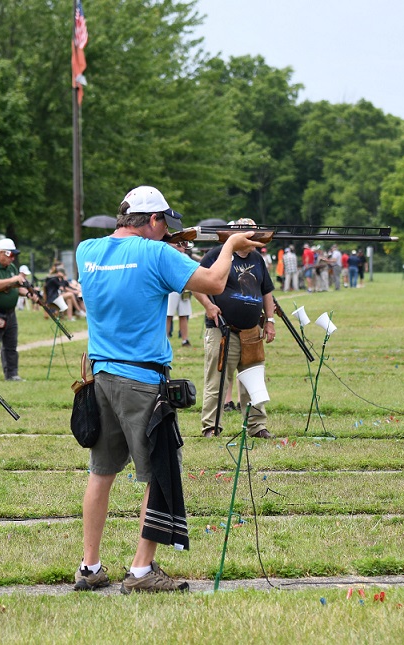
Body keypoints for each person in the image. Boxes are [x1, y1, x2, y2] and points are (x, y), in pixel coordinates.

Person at [74, 185, 262, 595]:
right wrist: (230, 244)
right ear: (155, 221)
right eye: (165, 224)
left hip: (100, 376)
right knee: (160, 472)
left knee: (101, 473)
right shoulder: (157, 253)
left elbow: (136, 266)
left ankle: (90, 566)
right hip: (142, 381)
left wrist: (170, 249)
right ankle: (141, 572)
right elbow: (213, 281)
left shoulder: (86, 251)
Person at [192, 217, 276, 439]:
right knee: (217, 381)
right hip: (223, 330)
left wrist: (269, 321)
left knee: (253, 382)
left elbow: (267, 291)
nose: (254, 237)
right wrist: (209, 306)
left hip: (252, 332)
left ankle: (258, 426)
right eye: (248, 233)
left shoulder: (258, 260)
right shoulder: (217, 255)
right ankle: (211, 426)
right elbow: (193, 282)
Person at [0, 238, 37, 383]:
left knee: (11, 345)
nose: (13, 258)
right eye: (10, 255)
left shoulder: (11, 269)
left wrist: (29, 293)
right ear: (1, 253)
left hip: (10, 312)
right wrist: (12, 280)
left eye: (14, 256)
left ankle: (12, 374)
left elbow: (17, 287)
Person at [166, 240, 193, 346]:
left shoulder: (185, 257)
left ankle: (185, 339)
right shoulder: (169, 256)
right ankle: (165, 339)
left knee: (184, 315)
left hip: (183, 290)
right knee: (168, 315)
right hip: (171, 290)